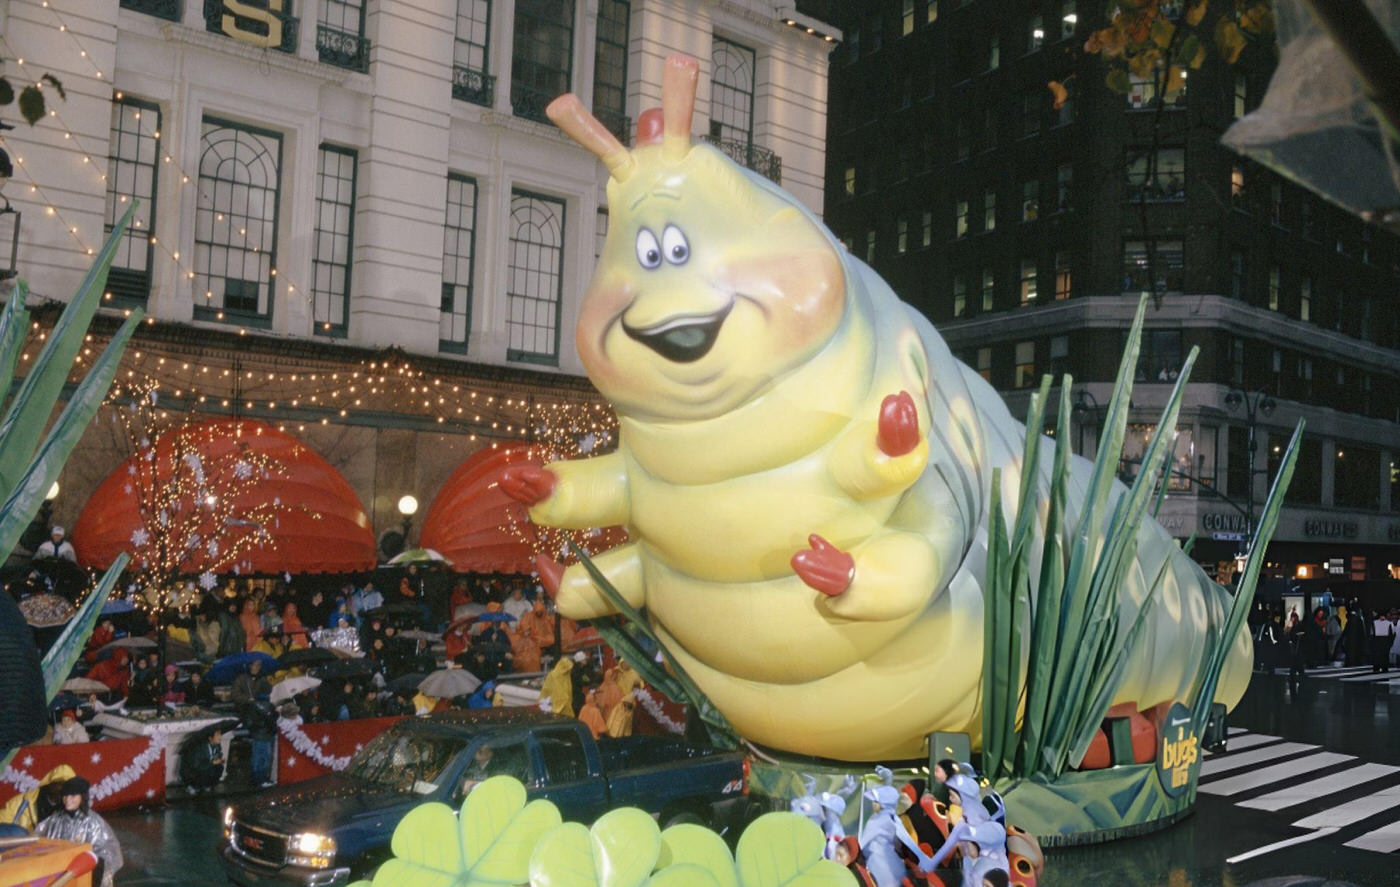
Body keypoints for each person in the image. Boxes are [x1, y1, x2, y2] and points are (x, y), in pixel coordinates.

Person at [36, 777, 122, 887]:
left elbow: (108, 852)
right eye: (65, 796)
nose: (67, 800)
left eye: (72, 796)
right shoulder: (55, 819)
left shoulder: (93, 822)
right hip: (58, 872)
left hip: (82, 875)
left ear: (82, 797)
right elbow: (40, 838)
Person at [179, 727, 226, 792]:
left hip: (205, 768)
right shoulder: (200, 747)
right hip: (192, 772)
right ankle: (193, 786)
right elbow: (196, 766)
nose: (220, 737)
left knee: (219, 767)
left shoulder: (217, 745)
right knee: (204, 770)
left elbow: (218, 754)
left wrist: (219, 760)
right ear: (210, 738)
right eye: (217, 735)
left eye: (220, 734)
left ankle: (207, 785)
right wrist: (212, 762)